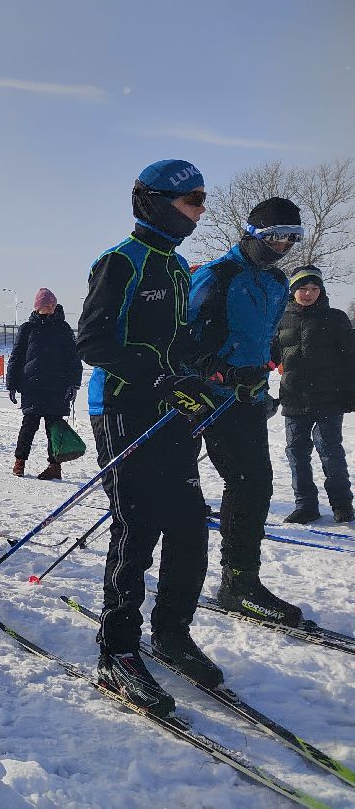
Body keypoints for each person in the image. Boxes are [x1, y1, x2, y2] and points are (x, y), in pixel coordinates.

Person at [77, 159, 221, 716]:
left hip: (170, 411)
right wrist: (154, 374)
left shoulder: (180, 267)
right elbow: (93, 340)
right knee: (136, 525)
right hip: (120, 407)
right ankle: (117, 651)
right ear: (158, 202)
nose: (201, 210)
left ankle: (170, 633)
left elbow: (180, 341)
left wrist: (201, 373)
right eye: (194, 200)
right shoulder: (121, 262)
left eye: (203, 199)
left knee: (188, 521)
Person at [187, 197, 304, 627]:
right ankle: (169, 579)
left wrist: (267, 361)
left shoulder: (276, 282)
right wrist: (214, 369)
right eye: (275, 236)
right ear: (253, 233)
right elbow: (183, 338)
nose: (283, 246)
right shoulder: (218, 276)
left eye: (292, 237)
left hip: (246, 400)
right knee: (177, 492)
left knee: (254, 485)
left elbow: (266, 337)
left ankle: (239, 581)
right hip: (204, 400)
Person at [271, 266, 355, 524]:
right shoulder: (280, 320)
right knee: (296, 453)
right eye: (302, 289)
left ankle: (342, 504)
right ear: (293, 291)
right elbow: (270, 357)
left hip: (330, 399)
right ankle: (305, 505)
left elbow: (351, 358)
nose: (308, 294)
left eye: (314, 288)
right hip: (294, 398)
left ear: (321, 290)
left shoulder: (335, 318)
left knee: (330, 451)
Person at [6, 287, 82, 480]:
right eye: (48, 305)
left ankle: (54, 466)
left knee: (54, 428)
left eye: (53, 305)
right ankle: (19, 462)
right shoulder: (27, 328)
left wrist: (74, 383)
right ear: (38, 306)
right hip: (32, 386)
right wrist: (12, 383)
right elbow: (16, 357)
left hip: (57, 386)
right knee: (28, 426)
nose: (51, 308)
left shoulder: (63, 328)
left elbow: (73, 358)